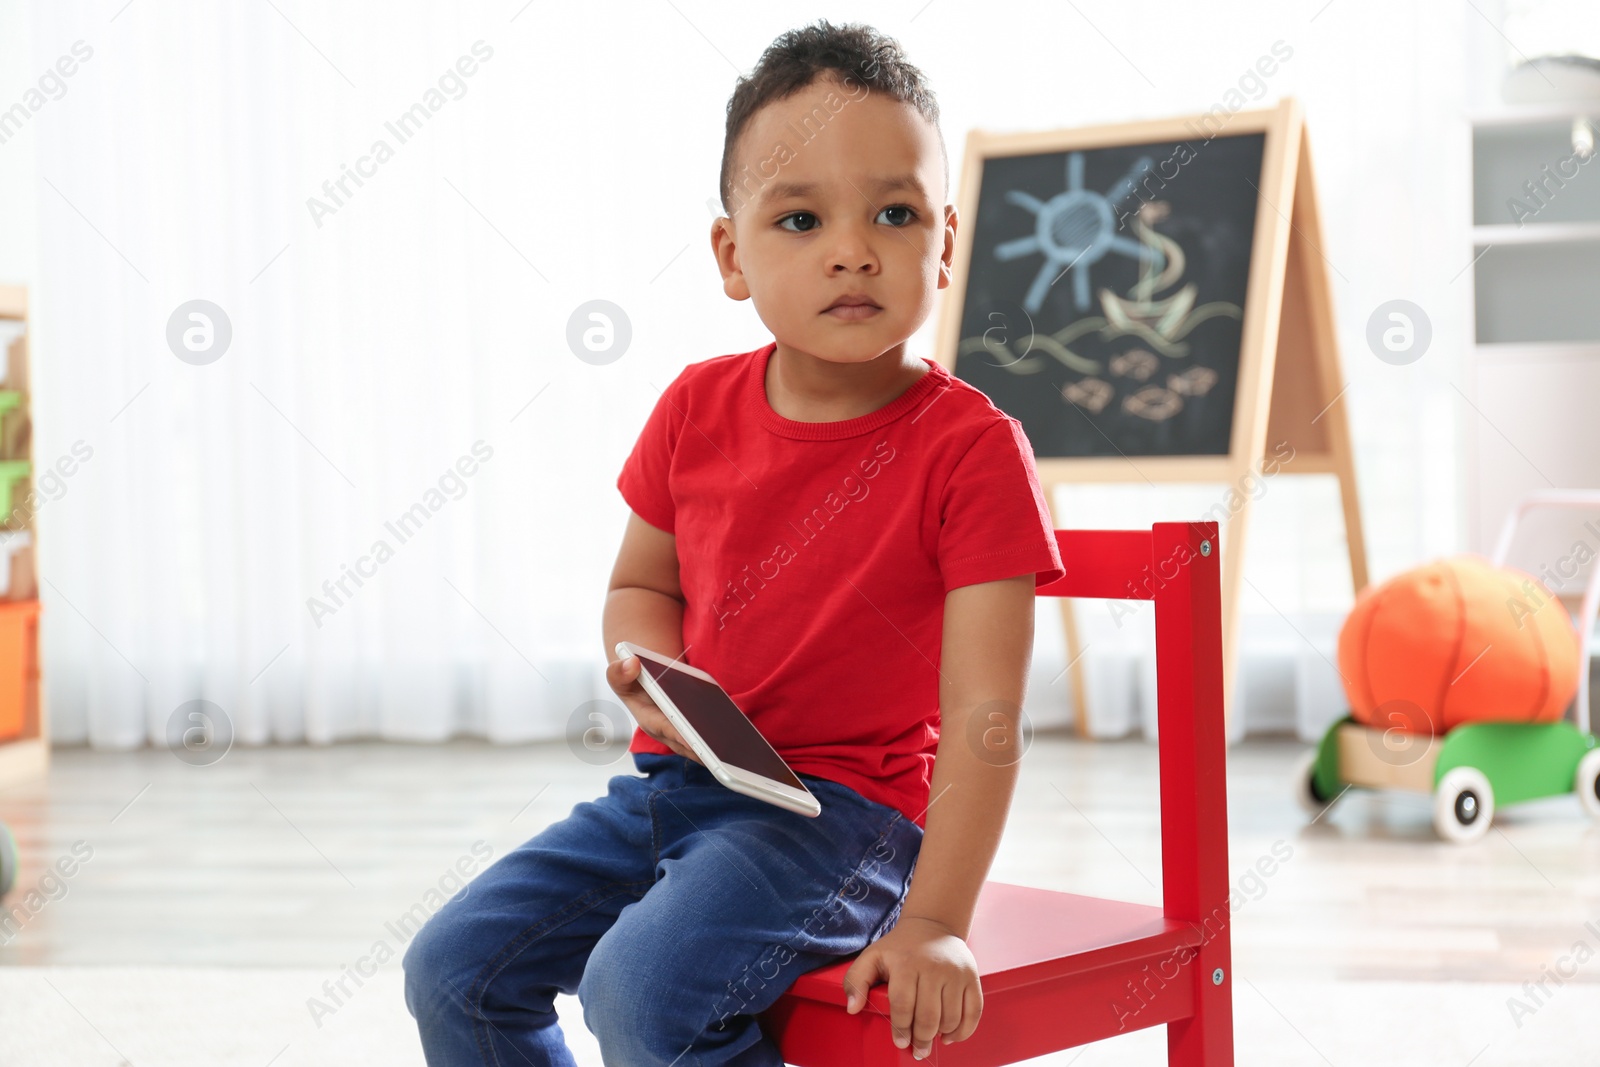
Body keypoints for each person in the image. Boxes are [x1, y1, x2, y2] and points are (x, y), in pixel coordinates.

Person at [403, 19, 1064, 1066]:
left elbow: (988, 713)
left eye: (895, 213)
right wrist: (643, 664)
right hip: (682, 785)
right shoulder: (693, 408)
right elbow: (640, 582)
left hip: (845, 825)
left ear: (945, 241)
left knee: (644, 988)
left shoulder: (971, 449)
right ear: (731, 256)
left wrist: (935, 919)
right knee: (454, 965)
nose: (852, 248)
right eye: (800, 218)